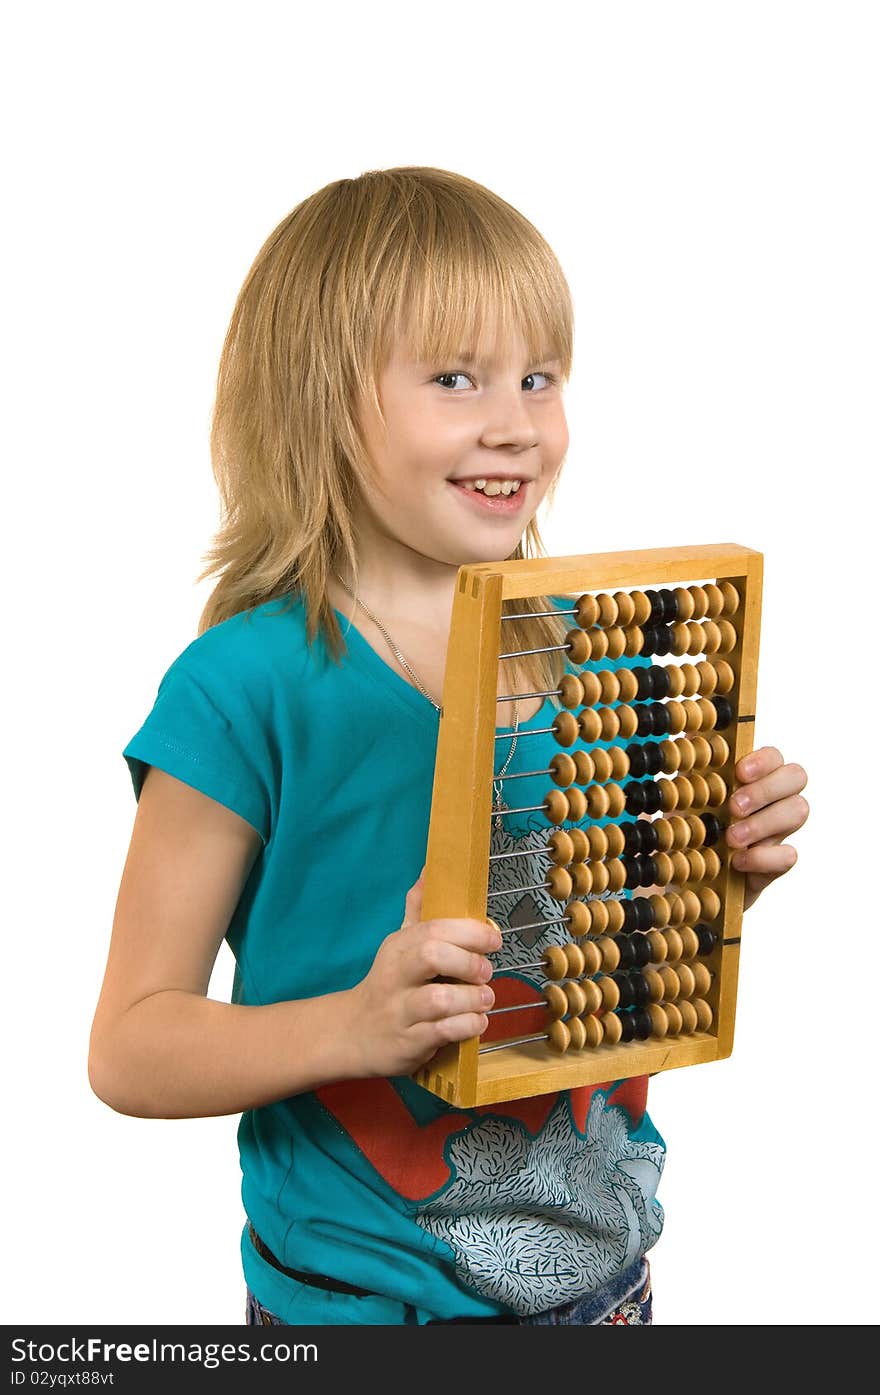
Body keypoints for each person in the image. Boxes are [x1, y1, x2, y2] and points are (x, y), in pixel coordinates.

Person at [88, 166, 809, 1327]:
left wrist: (705, 880)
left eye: (539, 376)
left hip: (606, 1281)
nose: (514, 421)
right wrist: (352, 1028)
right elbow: (129, 1046)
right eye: (454, 378)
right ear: (321, 401)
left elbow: (579, 949)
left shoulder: (602, 651)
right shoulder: (245, 688)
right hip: (363, 1305)